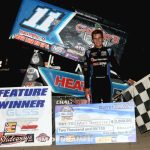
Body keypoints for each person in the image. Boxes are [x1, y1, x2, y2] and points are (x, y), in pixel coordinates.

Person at [83, 29, 135, 103]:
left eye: (99, 38)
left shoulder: (109, 51)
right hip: (95, 82)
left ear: (103, 39)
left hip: (106, 81)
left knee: (107, 105)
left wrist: (127, 79)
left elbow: (116, 67)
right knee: (95, 105)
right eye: (95, 38)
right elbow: (86, 71)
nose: (97, 40)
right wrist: (87, 87)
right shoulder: (88, 52)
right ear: (92, 40)